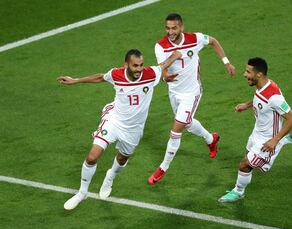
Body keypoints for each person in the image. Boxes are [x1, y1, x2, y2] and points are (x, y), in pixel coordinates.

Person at [58, 49, 182, 210]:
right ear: (126, 65)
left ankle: (110, 176)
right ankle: (82, 193)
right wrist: (75, 80)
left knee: (122, 159)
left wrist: (176, 54)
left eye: (141, 65)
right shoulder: (116, 74)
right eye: (135, 65)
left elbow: (163, 64)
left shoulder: (150, 74)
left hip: (134, 129)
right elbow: (100, 77)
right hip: (114, 121)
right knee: (92, 157)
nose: (139, 69)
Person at [148, 13, 236, 184]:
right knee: (187, 124)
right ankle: (211, 138)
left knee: (176, 131)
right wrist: (166, 77)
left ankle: (162, 168)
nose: (170, 31)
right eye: (167, 28)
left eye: (174, 28)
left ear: (181, 27)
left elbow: (213, 41)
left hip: (191, 93)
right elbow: (163, 71)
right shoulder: (160, 46)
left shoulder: (195, 39)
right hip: (174, 92)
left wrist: (226, 62)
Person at [218, 57, 292, 203]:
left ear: (259, 74)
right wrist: (247, 105)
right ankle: (290, 138)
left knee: (244, 164)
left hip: (268, 139)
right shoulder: (263, 86)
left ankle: (238, 191)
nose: (244, 75)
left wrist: (275, 140)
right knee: (248, 158)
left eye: (248, 72)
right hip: (257, 132)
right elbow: (260, 100)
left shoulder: (274, 97)